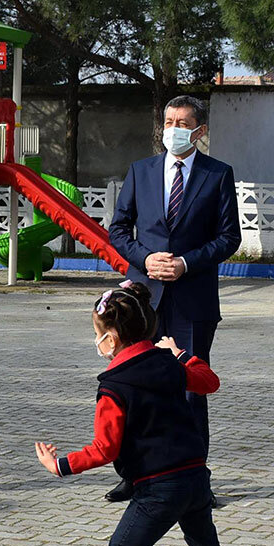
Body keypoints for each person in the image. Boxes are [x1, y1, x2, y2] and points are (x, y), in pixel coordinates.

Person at [34, 282, 266, 546]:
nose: (97, 341)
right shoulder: (170, 366)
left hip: (158, 490)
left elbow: (104, 448)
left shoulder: (114, 386)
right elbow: (209, 383)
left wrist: (61, 466)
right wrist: (181, 354)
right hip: (195, 480)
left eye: (97, 334)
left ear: (111, 338)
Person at [105, 95, 241, 503]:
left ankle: (196, 480)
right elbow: (118, 230)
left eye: (183, 122)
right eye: (168, 120)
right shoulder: (140, 171)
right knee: (133, 385)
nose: (173, 128)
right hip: (141, 298)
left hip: (192, 299)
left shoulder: (218, 175)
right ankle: (134, 474)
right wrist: (145, 258)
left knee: (190, 388)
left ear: (199, 131)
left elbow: (228, 237)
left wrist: (185, 262)